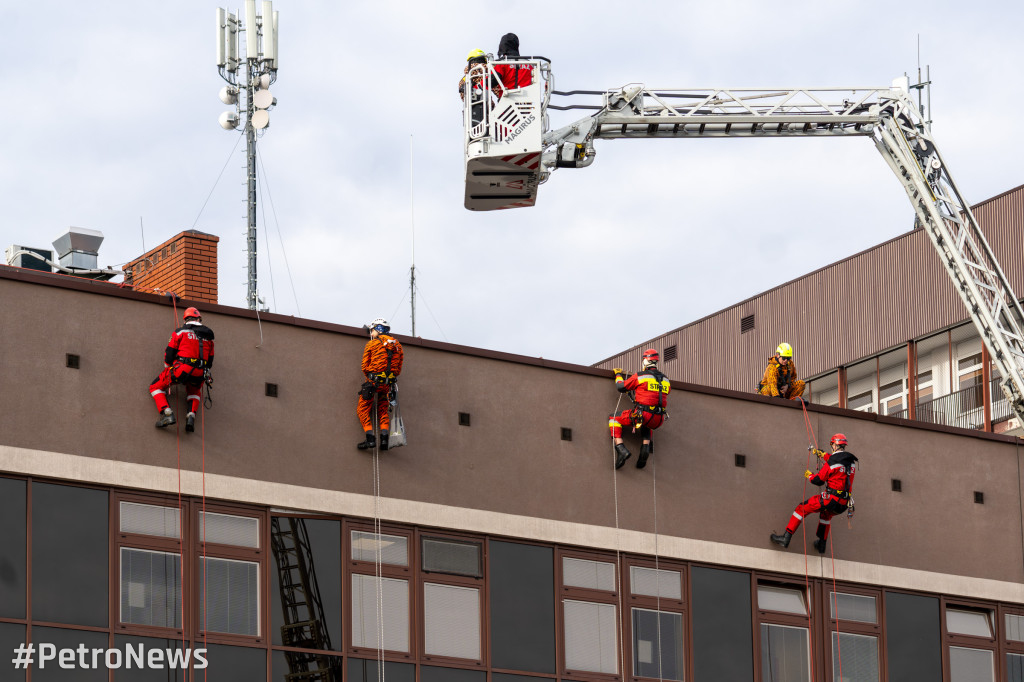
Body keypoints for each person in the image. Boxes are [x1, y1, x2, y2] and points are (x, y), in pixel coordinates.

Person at [770, 433, 858, 554]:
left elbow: (818, 481)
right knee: (826, 516)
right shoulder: (850, 462)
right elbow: (837, 462)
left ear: (835, 445)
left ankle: (786, 538)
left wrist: (809, 475)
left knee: (801, 508)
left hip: (830, 500)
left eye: (832, 444)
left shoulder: (832, 462)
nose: (831, 447)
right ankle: (822, 545)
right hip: (843, 504)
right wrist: (821, 454)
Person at [149, 307, 214, 432]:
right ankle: (191, 416)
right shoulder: (209, 338)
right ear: (199, 319)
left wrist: (168, 368)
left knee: (155, 387)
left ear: (185, 320)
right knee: (194, 391)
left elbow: (169, 353)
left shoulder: (180, 332)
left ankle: (167, 413)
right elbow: (210, 361)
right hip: (200, 372)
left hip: (182, 369)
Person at [609, 349, 670, 470]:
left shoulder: (641, 376)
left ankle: (621, 449)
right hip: (658, 419)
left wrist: (618, 375)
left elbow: (621, 387)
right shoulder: (666, 379)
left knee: (614, 418)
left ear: (646, 360)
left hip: (643, 415)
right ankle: (645, 450)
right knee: (646, 424)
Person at [357, 317, 404, 451]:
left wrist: (371, 378)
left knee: (362, 410)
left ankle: (370, 439)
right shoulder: (398, 346)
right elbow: (398, 369)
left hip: (373, 382)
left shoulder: (372, 344)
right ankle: (384, 439)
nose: (371, 334)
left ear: (378, 329)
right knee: (383, 410)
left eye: (372, 330)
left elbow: (364, 366)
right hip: (388, 385)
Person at [460, 48, 497, 129]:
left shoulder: (464, 79)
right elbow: (497, 89)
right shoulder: (486, 72)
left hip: (471, 116)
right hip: (486, 111)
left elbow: (463, 97)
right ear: (484, 60)